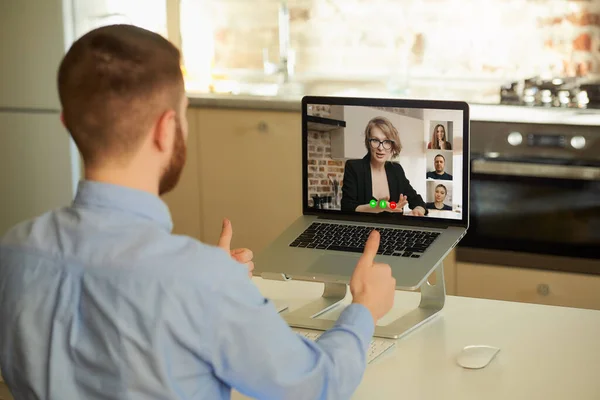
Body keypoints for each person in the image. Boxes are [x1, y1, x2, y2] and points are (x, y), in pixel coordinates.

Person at [0, 25, 397, 400]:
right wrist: (363, 308)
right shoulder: (200, 281)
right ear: (166, 128)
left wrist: (210, 282)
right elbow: (318, 384)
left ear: (68, 124)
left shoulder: (13, 252)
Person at [341, 116, 428, 216]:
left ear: (392, 145)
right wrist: (375, 207)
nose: (380, 148)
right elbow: (347, 207)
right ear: (368, 143)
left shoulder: (396, 170)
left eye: (386, 142)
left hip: (393, 230)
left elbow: (417, 201)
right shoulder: (354, 168)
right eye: (375, 140)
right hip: (364, 230)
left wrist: (418, 210)